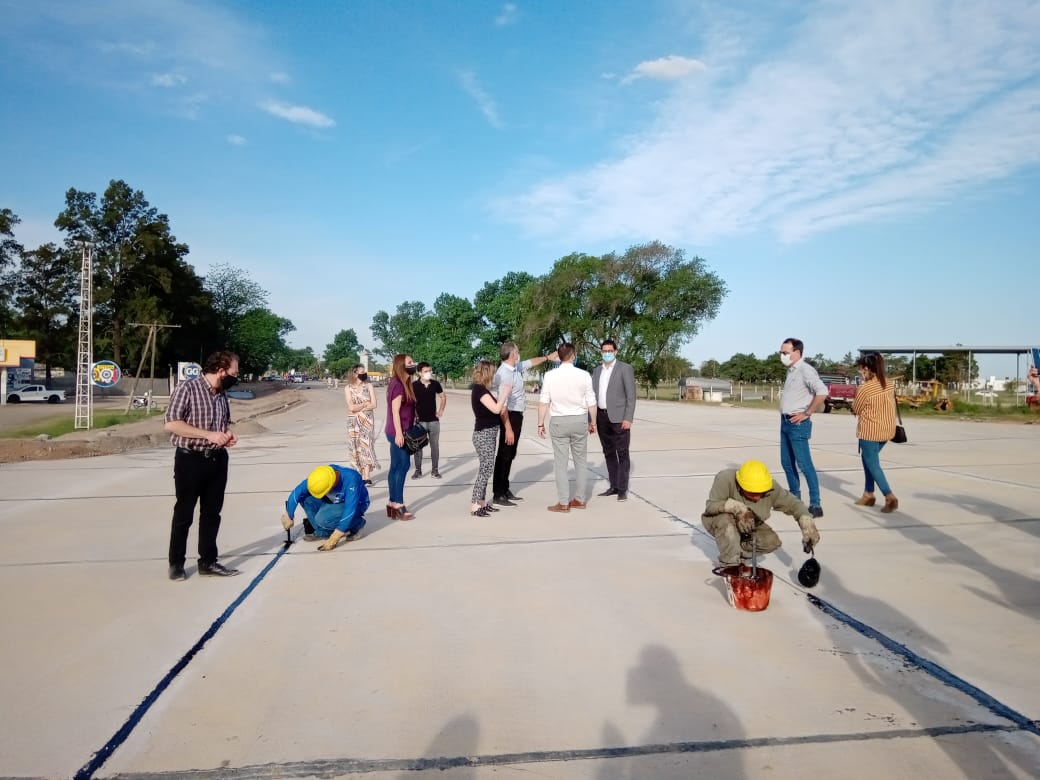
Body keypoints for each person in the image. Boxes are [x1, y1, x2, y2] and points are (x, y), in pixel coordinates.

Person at [164, 350, 242, 580]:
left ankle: (208, 561)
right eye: (234, 372)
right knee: (184, 513)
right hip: (190, 459)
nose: (235, 376)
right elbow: (171, 424)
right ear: (221, 370)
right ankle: (176, 563)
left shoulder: (221, 394)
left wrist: (227, 435)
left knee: (212, 514)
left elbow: (221, 426)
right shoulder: (187, 388)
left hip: (217, 459)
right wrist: (208, 435)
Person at [701, 460, 820, 567]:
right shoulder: (726, 479)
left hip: (750, 525)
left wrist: (807, 523)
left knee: (771, 541)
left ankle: (737, 552)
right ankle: (730, 564)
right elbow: (711, 506)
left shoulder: (770, 487)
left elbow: (794, 504)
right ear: (741, 485)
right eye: (752, 493)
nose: (758, 497)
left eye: (761, 493)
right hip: (720, 522)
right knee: (728, 527)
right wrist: (736, 507)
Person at [491, 342, 558, 505]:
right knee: (504, 454)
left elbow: (531, 362)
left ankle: (505, 488)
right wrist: (508, 428)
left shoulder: (515, 368)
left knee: (510, 454)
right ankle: (498, 493)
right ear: (513, 354)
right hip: (509, 415)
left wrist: (548, 357)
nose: (519, 355)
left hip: (516, 415)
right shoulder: (504, 374)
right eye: (518, 352)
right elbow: (502, 405)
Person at [538, 342, 598, 512]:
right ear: (573, 355)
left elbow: (544, 402)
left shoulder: (549, 376)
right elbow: (591, 402)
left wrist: (540, 422)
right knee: (580, 462)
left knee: (561, 463)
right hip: (579, 420)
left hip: (559, 421)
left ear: (558, 356)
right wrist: (593, 422)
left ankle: (563, 502)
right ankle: (580, 499)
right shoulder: (584, 375)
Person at [778, 338, 828, 518]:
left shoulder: (806, 370)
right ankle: (794, 499)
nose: (782, 356)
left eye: (785, 352)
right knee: (786, 463)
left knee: (805, 465)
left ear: (797, 352)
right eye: (781, 352)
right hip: (785, 422)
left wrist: (807, 413)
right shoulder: (791, 371)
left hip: (798, 423)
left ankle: (815, 504)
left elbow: (822, 392)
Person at [851, 353, 899, 513]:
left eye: (862, 368)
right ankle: (868, 494)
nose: (861, 371)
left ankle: (889, 496)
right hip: (887, 430)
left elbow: (855, 409)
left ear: (867, 369)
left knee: (872, 464)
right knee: (868, 459)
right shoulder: (889, 384)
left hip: (870, 431)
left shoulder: (865, 388)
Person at [280, 465, 370, 550]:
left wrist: (337, 534)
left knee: (322, 519)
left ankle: (357, 525)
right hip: (334, 500)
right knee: (306, 499)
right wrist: (289, 514)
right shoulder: (322, 475)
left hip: (355, 505)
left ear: (333, 484)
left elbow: (350, 508)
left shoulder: (351, 479)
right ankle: (323, 533)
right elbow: (297, 493)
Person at [592, 338, 637, 501]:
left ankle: (622, 489)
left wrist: (628, 418)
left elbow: (631, 397)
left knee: (622, 453)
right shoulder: (597, 371)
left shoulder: (624, 369)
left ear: (616, 352)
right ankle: (614, 485)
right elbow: (592, 396)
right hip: (601, 417)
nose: (607, 353)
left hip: (619, 418)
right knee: (608, 452)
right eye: (604, 351)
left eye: (610, 351)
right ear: (601, 352)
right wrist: (592, 419)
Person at [470, 360, 512, 516]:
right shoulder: (479, 391)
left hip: (489, 433)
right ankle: (475, 504)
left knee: (487, 468)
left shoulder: (483, 390)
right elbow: (496, 409)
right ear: (487, 373)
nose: (495, 376)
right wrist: (505, 393)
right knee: (485, 470)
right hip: (484, 434)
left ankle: (481, 502)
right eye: (493, 373)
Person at [385, 354, 418, 520]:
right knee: (403, 466)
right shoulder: (398, 385)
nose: (413, 364)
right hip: (399, 432)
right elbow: (395, 411)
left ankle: (392, 503)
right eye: (410, 362)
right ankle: (398, 503)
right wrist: (399, 433)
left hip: (398, 431)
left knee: (395, 467)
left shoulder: (404, 383)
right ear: (401, 366)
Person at [345, 364, 380, 485]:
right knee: (355, 447)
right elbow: (351, 407)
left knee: (367, 446)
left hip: (367, 421)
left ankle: (367, 476)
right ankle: (359, 474)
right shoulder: (348, 388)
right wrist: (365, 404)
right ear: (355, 373)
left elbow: (374, 404)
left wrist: (359, 407)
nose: (364, 373)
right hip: (353, 421)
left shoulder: (368, 386)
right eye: (361, 371)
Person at [411, 362, 446, 479]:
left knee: (434, 446)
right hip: (419, 422)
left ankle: (435, 471)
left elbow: (443, 396)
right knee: (417, 447)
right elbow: (410, 402)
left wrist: (441, 410)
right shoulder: (413, 385)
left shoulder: (435, 384)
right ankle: (418, 470)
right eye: (426, 371)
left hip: (434, 421)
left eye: (430, 371)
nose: (428, 373)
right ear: (419, 372)